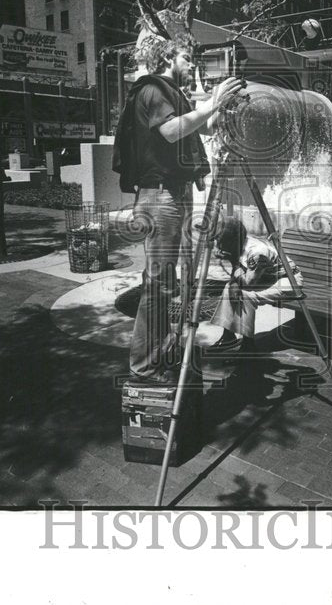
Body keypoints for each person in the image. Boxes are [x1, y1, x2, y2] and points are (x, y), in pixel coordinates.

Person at [126, 31, 245, 382]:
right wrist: (210, 103)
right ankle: (144, 366)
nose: (192, 64)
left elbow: (196, 128)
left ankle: (162, 355)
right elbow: (172, 132)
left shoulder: (173, 94)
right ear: (167, 59)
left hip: (175, 195)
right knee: (160, 284)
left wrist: (221, 107)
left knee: (174, 284)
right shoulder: (152, 90)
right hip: (160, 198)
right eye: (186, 58)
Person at [209, 215, 301, 353]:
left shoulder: (257, 253)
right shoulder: (242, 242)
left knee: (246, 295)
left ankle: (248, 346)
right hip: (269, 277)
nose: (219, 246)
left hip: (288, 280)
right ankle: (228, 336)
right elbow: (242, 275)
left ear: (233, 240)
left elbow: (248, 283)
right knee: (229, 287)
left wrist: (232, 259)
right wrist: (234, 282)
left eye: (222, 242)